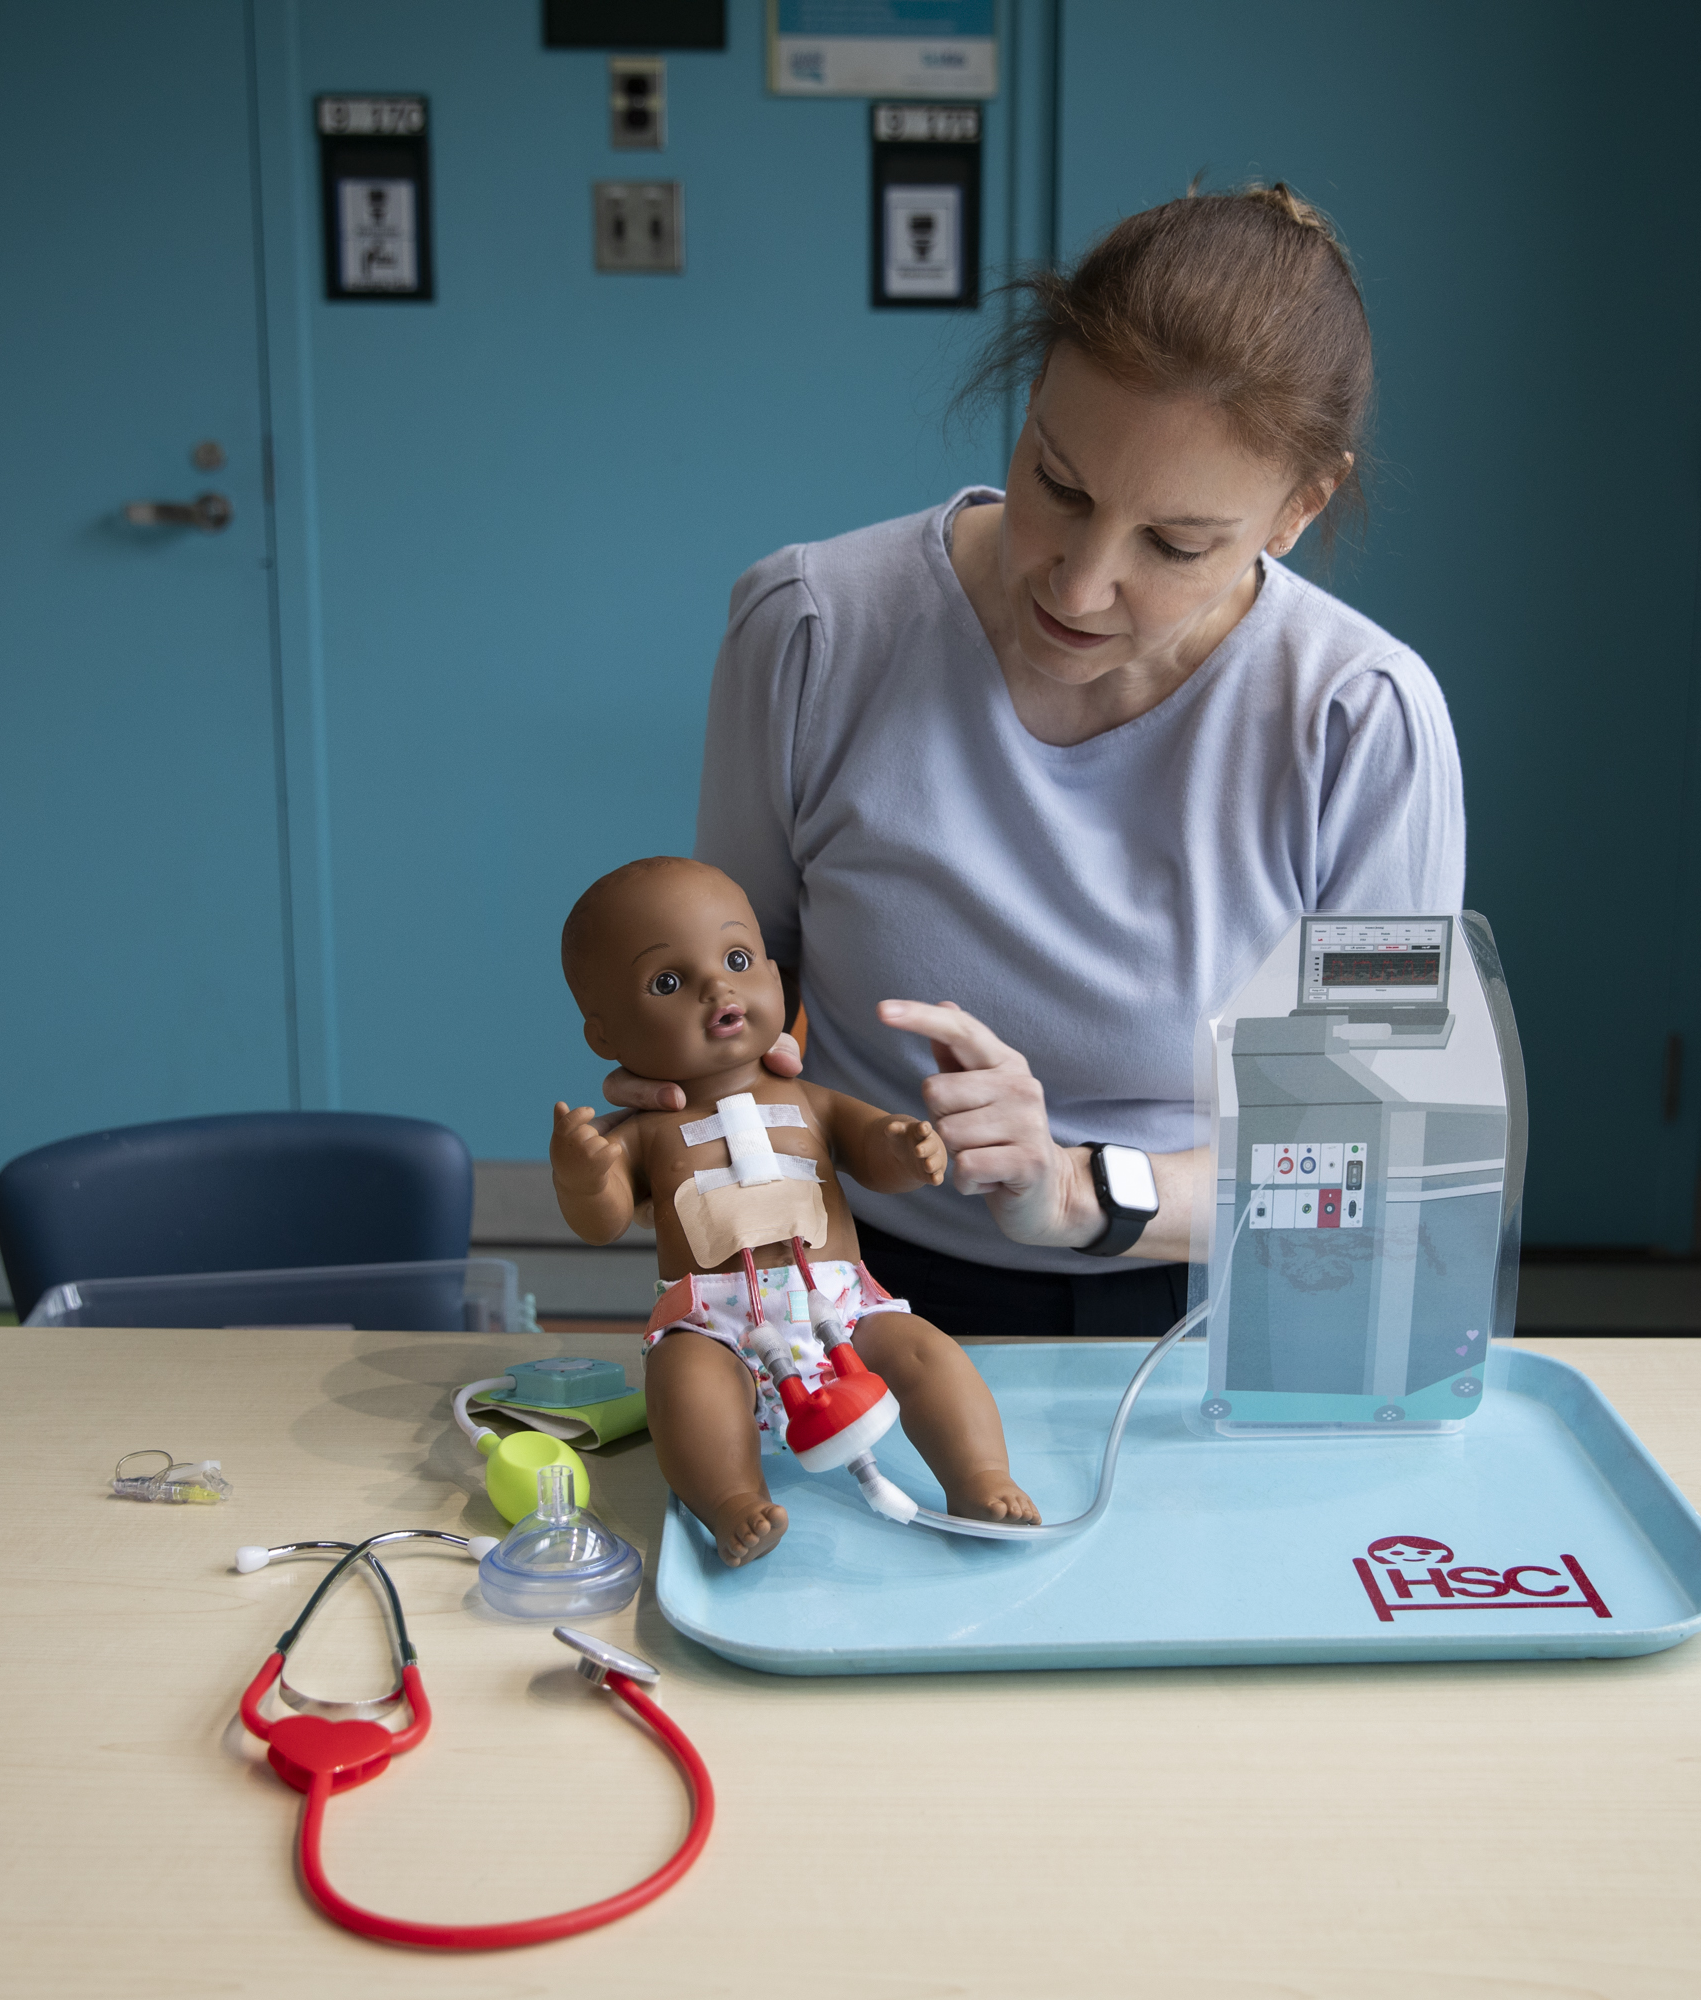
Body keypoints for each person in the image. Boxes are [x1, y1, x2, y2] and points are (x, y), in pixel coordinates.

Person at [611, 185, 1466, 1341]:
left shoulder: (1363, 724)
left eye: (1174, 543)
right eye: (1058, 484)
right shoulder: (812, 631)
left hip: (1195, 1305)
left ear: (1296, 509)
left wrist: (1075, 1189)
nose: (1076, 584)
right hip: (848, 1278)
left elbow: (1369, 1156)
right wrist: (688, 1066)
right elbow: (743, 989)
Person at [551, 856, 1036, 1566]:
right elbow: (601, 1221)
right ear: (605, 1037)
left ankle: (980, 1478)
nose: (717, 986)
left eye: (737, 958)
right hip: (714, 1324)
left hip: (838, 1300)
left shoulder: (810, 1101)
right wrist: (584, 1175)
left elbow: (869, 1150)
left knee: (925, 1350)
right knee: (687, 1384)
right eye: (667, 982)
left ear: (776, 979)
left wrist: (903, 1146)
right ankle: (731, 1501)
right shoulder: (647, 1133)